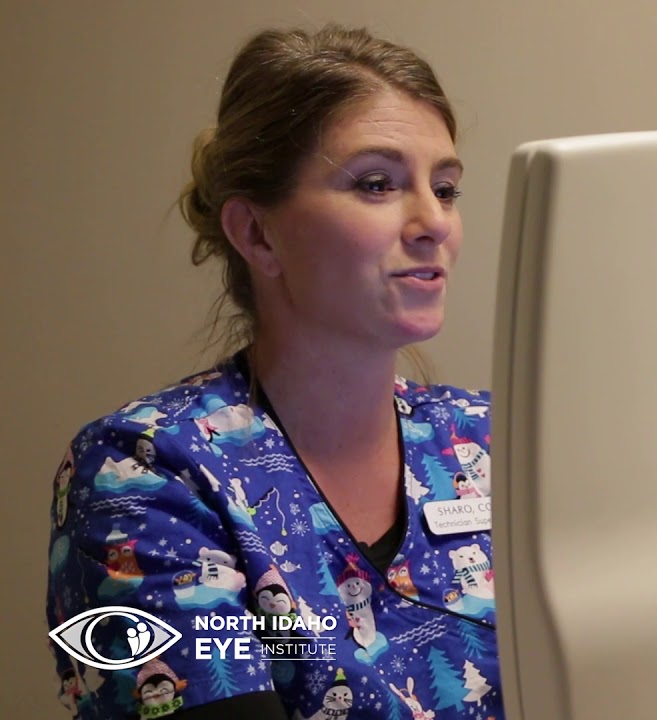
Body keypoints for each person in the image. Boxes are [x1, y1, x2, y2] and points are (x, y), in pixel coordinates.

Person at [45, 25, 502, 720]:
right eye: (377, 184)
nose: (433, 221)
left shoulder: (491, 443)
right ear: (258, 234)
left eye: (445, 188)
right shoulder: (145, 472)